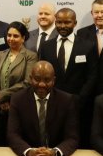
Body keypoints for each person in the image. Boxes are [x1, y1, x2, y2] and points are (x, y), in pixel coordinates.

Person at [38, 8, 97, 148]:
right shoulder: (46, 46)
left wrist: (79, 99)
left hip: (79, 105)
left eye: (67, 22)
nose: (63, 26)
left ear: (75, 23)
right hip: (52, 103)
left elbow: (92, 76)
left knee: (77, 143)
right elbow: (43, 76)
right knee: (54, 141)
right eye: (59, 22)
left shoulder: (88, 46)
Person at [8, 61, 79, 156]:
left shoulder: (67, 100)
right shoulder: (17, 99)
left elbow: (72, 137)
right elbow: (12, 135)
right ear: (30, 78)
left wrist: (54, 153)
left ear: (53, 80)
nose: (41, 84)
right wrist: (30, 152)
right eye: (37, 79)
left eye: (47, 80)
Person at [0, 21, 37, 111]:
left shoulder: (31, 56)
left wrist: (2, 95)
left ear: (23, 38)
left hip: (20, 105)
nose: (11, 39)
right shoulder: (0, 54)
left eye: (15, 36)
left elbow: (27, 83)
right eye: (9, 35)